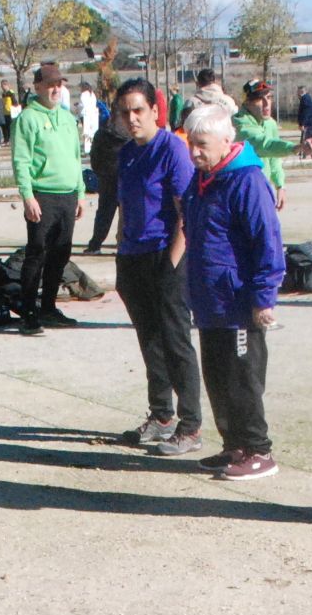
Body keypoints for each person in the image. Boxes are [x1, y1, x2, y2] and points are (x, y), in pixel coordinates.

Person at [179, 106, 283, 481]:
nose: (194, 152)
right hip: (210, 302)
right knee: (218, 377)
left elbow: (267, 241)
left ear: (226, 141)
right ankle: (234, 445)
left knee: (242, 379)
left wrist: (264, 297)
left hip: (238, 302)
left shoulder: (248, 181)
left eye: (202, 145)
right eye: (191, 144)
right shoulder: (201, 180)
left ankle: (258, 449)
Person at [109, 78, 201, 456]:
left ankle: (191, 425)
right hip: (133, 256)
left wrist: (172, 265)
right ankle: (162, 416)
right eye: (125, 112)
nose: (131, 119)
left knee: (175, 341)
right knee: (149, 339)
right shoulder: (127, 154)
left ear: (154, 111)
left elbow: (186, 213)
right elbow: (125, 206)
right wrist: (121, 250)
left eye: (138, 110)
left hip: (166, 254)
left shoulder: (172, 149)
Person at [10, 61, 86, 335]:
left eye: (59, 85)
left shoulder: (67, 118)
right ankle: (29, 312)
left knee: (61, 254)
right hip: (42, 195)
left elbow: (76, 158)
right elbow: (21, 160)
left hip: (68, 195)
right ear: (38, 87)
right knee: (37, 254)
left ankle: (49, 308)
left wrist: (80, 193)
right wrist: (27, 196)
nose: (55, 89)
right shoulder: (27, 119)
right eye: (50, 85)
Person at [234, 82, 295, 213]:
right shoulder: (239, 122)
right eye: (260, 99)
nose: (266, 104)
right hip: (243, 192)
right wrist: (294, 148)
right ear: (247, 102)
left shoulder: (270, 123)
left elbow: (274, 158)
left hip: (264, 188)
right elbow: (264, 145)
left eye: (269, 97)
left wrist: (280, 185)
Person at [82, 102, 131, 253]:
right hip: (124, 180)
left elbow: (95, 158)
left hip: (109, 179)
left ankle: (95, 245)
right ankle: (123, 244)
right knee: (126, 215)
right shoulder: (131, 135)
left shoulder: (103, 133)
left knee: (104, 214)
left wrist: (101, 172)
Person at [297, 86, 312, 156]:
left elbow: (306, 112)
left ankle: (307, 154)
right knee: (310, 139)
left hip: (311, 123)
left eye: (299, 92)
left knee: (308, 140)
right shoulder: (306, 98)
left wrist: (302, 124)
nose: (297, 94)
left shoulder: (305, 99)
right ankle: (309, 154)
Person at [77, 82, 99, 155]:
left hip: (85, 115)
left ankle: (87, 149)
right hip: (93, 115)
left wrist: (78, 105)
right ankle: (93, 146)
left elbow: (83, 105)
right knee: (92, 131)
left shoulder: (83, 94)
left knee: (86, 131)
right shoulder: (92, 94)